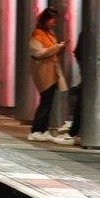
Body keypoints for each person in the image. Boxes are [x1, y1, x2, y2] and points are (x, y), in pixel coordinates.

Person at [27, 7, 74, 145]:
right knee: (45, 102)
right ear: (46, 20)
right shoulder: (37, 34)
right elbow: (38, 53)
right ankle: (35, 130)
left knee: (48, 101)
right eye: (53, 20)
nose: (54, 23)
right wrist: (56, 48)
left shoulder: (49, 34)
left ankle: (42, 130)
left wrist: (59, 48)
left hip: (51, 71)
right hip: (43, 72)